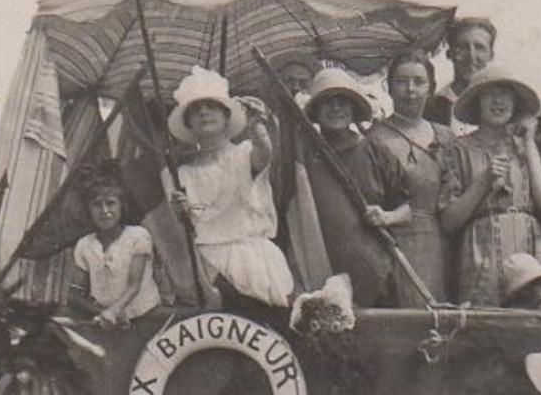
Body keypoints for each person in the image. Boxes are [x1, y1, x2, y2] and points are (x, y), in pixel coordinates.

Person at [165, 66, 294, 310]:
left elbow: (264, 154)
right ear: (188, 124)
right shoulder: (182, 174)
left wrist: (257, 126)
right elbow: (184, 228)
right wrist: (180, 212)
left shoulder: (244, 153)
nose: (203, 112)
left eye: (212, 106)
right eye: (195, 110)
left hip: (252, 263)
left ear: (227, 117)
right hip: (206, 268)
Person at [436, 66, 541, 306]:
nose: (498, 100)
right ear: (477, 103)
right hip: (483, 246)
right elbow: (449, 221)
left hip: (528, 243)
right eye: (489, 94)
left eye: (505, 94)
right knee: (486, 323)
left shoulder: (525, 147)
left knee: (533, 316)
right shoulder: (458, 149)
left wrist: (530, 142)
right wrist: (482, 182)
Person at [300, 67, 410, 308]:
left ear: (353, 109)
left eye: (343, 101)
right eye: (328, 102)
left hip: (373, 266)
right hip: (321, 264)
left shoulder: (376, 151)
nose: (336, 108)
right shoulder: (305, 157)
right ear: (316, 111)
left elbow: (408, 207)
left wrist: (387, 217)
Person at [366, 51, 455, 303]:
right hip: (400, 243)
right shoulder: (375, 138)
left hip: (447, 244)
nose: (410, 90)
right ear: (389, 87)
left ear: (432, 87)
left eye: (419, 81)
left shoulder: (446, 137)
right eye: (401, 81)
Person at [68, 161, 161, 328]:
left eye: (110, 203)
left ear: (121, 205)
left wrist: (114, 311)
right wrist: (100, 312)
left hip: (144, 317)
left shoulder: (137, 236)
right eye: (97, 205)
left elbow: (134, 285)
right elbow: (74, 292)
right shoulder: (84, 245)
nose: (105, 211)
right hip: (107, 319)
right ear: (88, 210)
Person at [424, 16, 496, 129]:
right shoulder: (431, 109)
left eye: (479, 47)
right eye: (463, 47)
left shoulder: (503, 107)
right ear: (449, 53)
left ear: (491, 55)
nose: (471, 56)